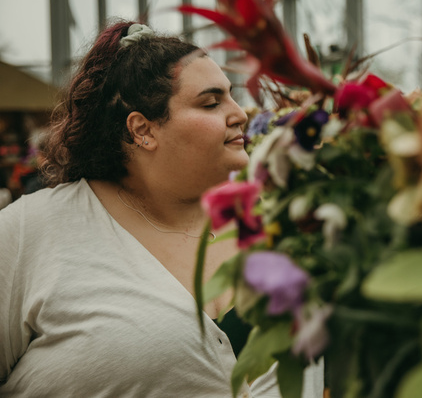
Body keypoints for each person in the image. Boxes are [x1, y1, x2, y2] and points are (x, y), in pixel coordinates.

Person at [0, 21, 323, 397]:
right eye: (211, 102)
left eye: (232, 97)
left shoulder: (276, 218)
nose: (239, 114)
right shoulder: (31, 231)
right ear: (143, 130)